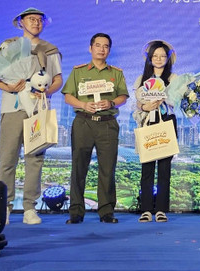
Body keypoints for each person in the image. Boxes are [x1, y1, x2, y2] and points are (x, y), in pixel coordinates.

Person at [0, 7, 62, 225]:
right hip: (12, 109)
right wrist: (9, 87)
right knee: (7, 159)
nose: (36, 23)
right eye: (31, 19)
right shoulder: (8, 46)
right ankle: (4, 207)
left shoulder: (50, 50)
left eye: (40, 20)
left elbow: (57, 80)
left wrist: (46, 92)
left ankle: (30, 207)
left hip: (38, 110)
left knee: (35, 159)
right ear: (21, 22)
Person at [62, 33, 128, 224]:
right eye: (98, 45)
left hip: (107, 123)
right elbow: (68, 96)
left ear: (109, 50)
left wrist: (111, 103)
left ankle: (106, 211)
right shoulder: (79, 71)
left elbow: (123, 97)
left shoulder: (116, 73)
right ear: (90, 48)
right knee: (78, 167)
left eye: (106, 46)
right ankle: (76, 212)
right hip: (83, 122)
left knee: (108, 168)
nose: (102, 49)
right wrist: (83, 105)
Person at [134, 40, 177, 223]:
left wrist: (163, 98)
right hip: (147, 123)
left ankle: (161, 209)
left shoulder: (174, 79)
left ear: (168, 58)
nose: (159, 59)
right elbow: (137, 104)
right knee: (147, 167)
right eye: (155, 56)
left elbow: (177, 101)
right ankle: (146, 209)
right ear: (149, 58)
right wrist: (145, 106)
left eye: (163, 56)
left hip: (166, 121)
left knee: (165, 168)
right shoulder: (141, 79)